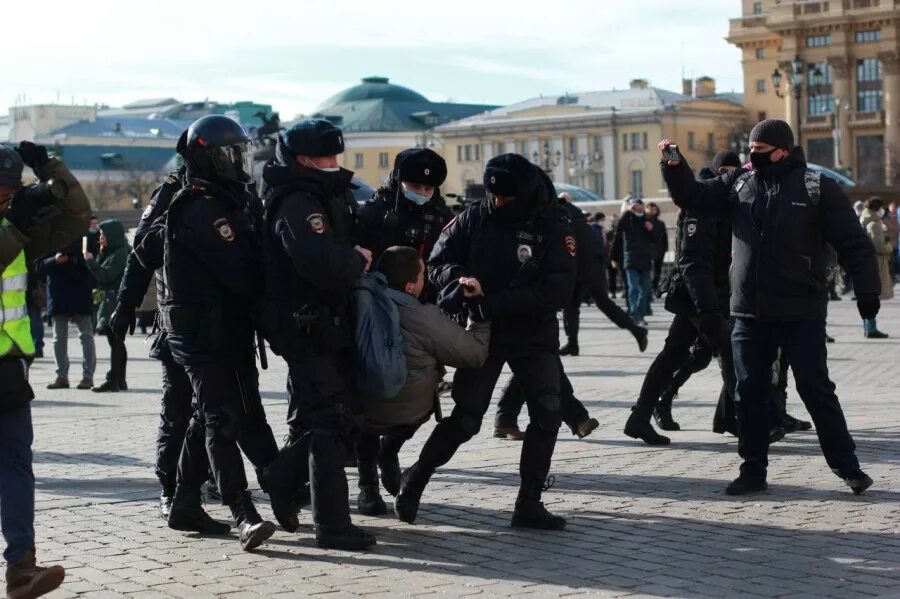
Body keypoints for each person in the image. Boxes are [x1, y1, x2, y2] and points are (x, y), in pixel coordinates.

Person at [659, 118, 880, 495]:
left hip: (801, 310)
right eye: (750, 150)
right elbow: (693, 196)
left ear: (782, 149)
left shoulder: (816, 187)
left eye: (760, 152)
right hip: (748, 311)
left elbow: (854, 243)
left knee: (815, 389)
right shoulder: (740, 183)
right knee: (748, 392)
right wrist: (675, 166)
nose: (752, 157)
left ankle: (848, 466)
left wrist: (867, 292)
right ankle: (753, 470)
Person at [394, 153, 577, 530]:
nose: (497, 203)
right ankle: (416, 478)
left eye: (505, 198)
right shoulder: (476, 214)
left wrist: (494, 299)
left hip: (532, 331)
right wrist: (459, 280)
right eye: (493, 195)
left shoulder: (554, 221)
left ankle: (529, 502)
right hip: (483, 330)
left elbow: (557, 290)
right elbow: (440, 260)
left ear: (522, 193)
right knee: (467, 418)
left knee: (547, 412)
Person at [135, 115, 288, 550]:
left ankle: (185, 501)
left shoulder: (234, 199)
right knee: (216, 417)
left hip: (229, 329)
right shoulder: (195, 204)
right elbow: (239, 270)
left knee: (209, 415)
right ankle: (243, 512)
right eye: (229, 155)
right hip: (197, 332)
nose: (237, 163)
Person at [258, 119, 376, 550]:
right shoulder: (297, 200)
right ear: (303, 159)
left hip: (325, 323)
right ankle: (331, 524)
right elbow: (319, 263)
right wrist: (355, 259)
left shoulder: (322, 192)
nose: (333, 164)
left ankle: (282, 478)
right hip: (305, 325)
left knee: (339, 417)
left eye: (336, 157)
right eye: (325, 158)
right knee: (331, 420)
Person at [1, 141, 91, 598]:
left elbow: (77, 215)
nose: (4, 197)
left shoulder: (13, 225)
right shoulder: (11, 228)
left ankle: (21, 568)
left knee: (16, 465)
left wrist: (50, 169)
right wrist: (14, 227)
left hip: (7, 369)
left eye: (8, 190)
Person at [109, 146, 208, 520]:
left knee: (216, 411)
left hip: (222, 325)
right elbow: (142, 254)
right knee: (179, 409)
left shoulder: (233, 191)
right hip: (177, 322)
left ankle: (203, 476)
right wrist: (125, 305)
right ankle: (171, 485)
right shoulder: (170, 193)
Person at [354, 246, 490, 513]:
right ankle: (389, 450)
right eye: (423, 276)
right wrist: (478, 314)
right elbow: (474, 355)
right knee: (416, 396)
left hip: (358, 405)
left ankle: (367, 486)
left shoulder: (355, 300)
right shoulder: (424, 315)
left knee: (364, 413)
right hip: (409, 410)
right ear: (409, 285)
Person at [624, 151, 741, 445]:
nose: (727, 176)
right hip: (696, 295)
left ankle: (640, 417)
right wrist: (709, 308)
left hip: (710, 294)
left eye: (733, 171)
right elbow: (693, 263)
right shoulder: (699, 202)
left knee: (674, 354)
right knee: (730, 353)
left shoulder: (725, 202)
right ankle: (744, 420)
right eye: (723, 170)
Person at [557, 194, 647, 357]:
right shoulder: (575, 216)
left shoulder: (561, 216)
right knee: (596, 304)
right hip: (592, 266)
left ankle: (572, 343)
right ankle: (636, 330)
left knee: (572, 306)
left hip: (582, 268)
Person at [358, 148, 453, 267]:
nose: (422, 193)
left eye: (428, 188)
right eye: (415, 187)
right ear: (398, 182)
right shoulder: (375, 212)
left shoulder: (442, 216)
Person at [36, 240, 96, 390]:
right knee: (58, 338)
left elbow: (92, 266)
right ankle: (61, 376)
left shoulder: (84, 238)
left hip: (80, 292)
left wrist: (77, 260)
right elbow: (38, 266)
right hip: (59, 295)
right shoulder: (48, 238)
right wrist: (54, 261)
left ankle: (88, 376)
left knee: (86, 336)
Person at [84, 220, 129, 393]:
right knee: (116, 342)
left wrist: (91, 262)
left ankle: (114, 380)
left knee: (116, 342)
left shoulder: (120, 254)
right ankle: (120, 380)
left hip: (114, 303)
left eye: (103, 235)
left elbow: (105, 276)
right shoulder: (113, 252)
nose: (100, 238)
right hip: (110, 302)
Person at [611, 198, 654, 325]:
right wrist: (628, 212)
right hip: (631, 260)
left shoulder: (647, 220)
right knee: (633, 288)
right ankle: (634, 314)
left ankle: (640, 315)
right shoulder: (627, 219)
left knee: (645, 290)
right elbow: (619, 228)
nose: (637, 207)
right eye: (634, 206)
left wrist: (651, 230)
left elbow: (655, 240)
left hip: (645, 260)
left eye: (639, 205)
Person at [859, 197, 892, 339]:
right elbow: (878, 245)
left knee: (869, 295)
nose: (883, 211)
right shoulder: (874, 224)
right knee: (873, 296)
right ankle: (871, 328)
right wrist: (889, 246)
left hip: (867, 262)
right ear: (876, 208)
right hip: (876, 262)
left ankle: (868, 328)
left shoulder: (865, 220)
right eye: (881, 208)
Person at [646, 201, 668, 299]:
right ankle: (649, 288)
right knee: (649, 270)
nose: (652, 211)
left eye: (654, 209)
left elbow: (664, 237)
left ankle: (654, 287)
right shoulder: (645, 222)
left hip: (659, 250)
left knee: (657, 270)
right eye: (650, 209)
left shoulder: (661, 223)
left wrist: (665, 248)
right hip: (648, 250)